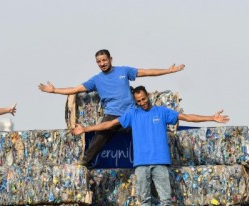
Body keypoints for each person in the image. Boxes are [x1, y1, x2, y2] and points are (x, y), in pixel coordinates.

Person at [72, 85, 229, 206]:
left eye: (144, 99)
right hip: (141, 164)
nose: (142, 103)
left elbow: (186, 117)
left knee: (165, 199)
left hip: (160, 163)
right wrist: (86, 129)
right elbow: (109, 124)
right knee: (144, 198)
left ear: (148, 96)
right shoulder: (132, 114)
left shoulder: (161, 112)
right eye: (138, 101)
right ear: (135, 101)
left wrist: (211, 118)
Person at [38, 49, 185, 167]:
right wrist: (54, 90)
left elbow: (146, 72)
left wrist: (169, 71)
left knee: (149, 129)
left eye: (104, 60)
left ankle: (159, 161)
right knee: (99, 136)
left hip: (131, 113)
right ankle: (85, 163)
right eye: (99, 62)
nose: (102, 63)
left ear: (110, 59)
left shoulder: (123, 71)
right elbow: (75, 89)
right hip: (112, 115)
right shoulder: (96, 80)